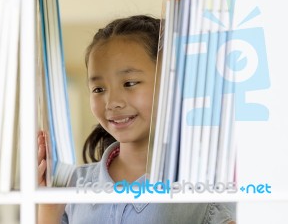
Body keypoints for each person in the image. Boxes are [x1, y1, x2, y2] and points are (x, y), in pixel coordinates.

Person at [37, 15, 236, 224]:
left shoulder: (208, 191)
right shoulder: (72, 185)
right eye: (98, 89)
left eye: (130, 83)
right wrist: (48, 209)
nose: (112, 102)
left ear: (171, 84)